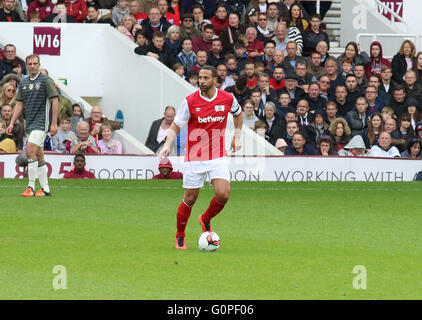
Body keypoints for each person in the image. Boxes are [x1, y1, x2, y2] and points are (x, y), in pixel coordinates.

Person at [157, 66, 243, 250]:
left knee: (223, 193)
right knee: (190, 198)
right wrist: (167, 144)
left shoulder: (227, 98)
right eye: (199, 78)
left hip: (218, 155)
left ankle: (205, 218)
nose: (201, 81)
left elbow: (238, 113)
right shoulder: (190, 101)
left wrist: (237, 136)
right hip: (195, 157)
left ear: (215, 80)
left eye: (205, 78)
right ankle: (180, 235)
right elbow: (176, 125)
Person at [6, 54, 59, 197]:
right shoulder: (23, 83)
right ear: (26, 65)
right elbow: (19, 104)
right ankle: (45, 189)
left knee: (30, 150)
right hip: (30, 123)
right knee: (39, 155)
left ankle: (30, 186)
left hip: (42, 122)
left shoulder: (46, 80)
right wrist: (11, 122)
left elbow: (55, 101)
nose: (33, 66)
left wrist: (54, 123)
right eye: (30, 64)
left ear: (39, 64)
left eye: (35, 63)